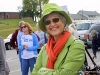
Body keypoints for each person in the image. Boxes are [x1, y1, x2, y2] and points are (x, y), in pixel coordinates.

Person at [32, 3, 85, 75]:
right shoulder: (44, 48)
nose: (52, 24)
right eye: (47, 22)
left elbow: (66, 73)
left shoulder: (76, 45)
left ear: (63, 22)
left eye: (55, 20)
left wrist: (41, 71)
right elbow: (34, 72)